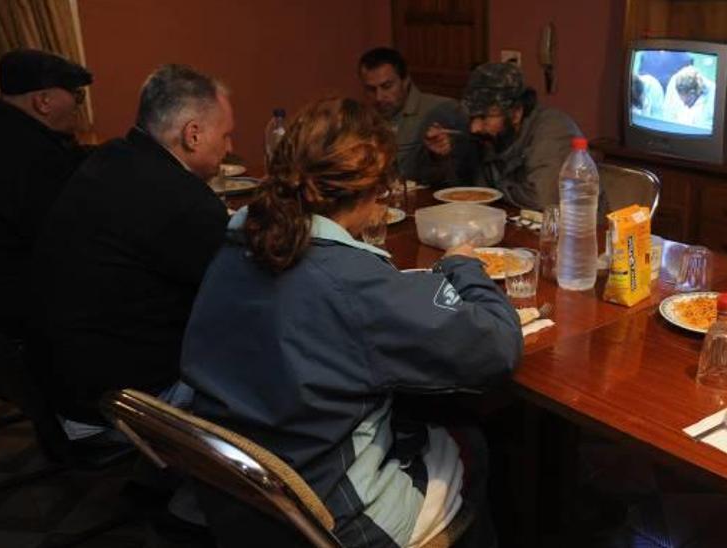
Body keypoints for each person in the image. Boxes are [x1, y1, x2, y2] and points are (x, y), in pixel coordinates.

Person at [180, 97, 520, 547]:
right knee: (468, 442)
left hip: (238, 497)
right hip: (328, 518)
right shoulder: (351, 282)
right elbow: (497, 346)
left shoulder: (236, 243)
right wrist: (464, 267)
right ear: (370, 194)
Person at [32, 64, 232, 434]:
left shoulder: (110, 158)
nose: (229, 146)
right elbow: (239, 295)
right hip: (117, 404)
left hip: (57, 381)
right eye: (226, 134)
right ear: (193, 135)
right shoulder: (183, 200)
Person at [0, 48, 92, 335]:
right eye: (75, 95)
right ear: (43, 102)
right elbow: (65, 231)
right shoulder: (28, 151)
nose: (78, 105)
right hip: (13, 297)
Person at [424, 62, 582, 210]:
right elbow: (459, 188)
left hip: (575, 232)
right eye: (472, 117)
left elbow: (541, 199)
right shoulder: (488, 134)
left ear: (516, 113)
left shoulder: (554, 130)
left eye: (484, 117)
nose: (474, 128)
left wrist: (490, 191)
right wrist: (442, 157)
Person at [358, 47, 469, 186]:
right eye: (370, 89)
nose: (379, 97)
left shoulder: (443, 110)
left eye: (387, 86)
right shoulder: (363, 119)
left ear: (405, 81)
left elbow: (458, 178)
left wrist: (438, 157)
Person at [662, 64, 714, 129]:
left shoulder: (713, 98)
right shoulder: (674, 83)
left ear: (692, 93)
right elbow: (667, 117)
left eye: (687, 102)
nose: (684, 104)